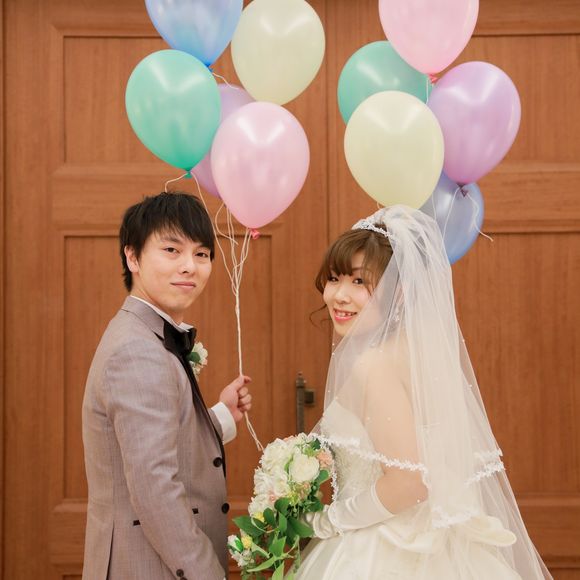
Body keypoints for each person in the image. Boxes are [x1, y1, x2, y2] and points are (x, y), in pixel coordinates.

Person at [296, 205, 551, 579]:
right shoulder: (413, 352)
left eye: (359, 282)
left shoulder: (373, 365)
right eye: (334, 279)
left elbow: (410, 482)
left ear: (398, 294)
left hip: (380, 551)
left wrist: (325, 521)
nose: (339, 295)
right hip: (428, 540)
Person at [82, 192, 252, 580]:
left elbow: (157, 438)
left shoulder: (143, 334)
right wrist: (207, 574)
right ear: (133, 257)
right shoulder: (137, 351)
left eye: (201, 254)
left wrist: (221, 416)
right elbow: (154, 487)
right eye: (172, 250)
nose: (189, 266)